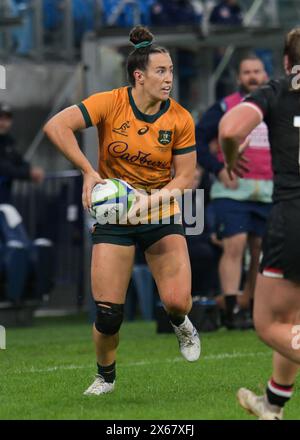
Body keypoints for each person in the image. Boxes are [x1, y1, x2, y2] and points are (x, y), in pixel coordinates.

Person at [44, 25, 200, 396]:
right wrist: (88, 171)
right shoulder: (110, 102)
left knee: (178, 300)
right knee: (109, 314)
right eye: (161, 72)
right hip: (114, 216)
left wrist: (152, 200)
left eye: (171, 71)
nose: (168, 79)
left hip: (159, 211)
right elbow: (56, 126)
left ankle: (181, 322)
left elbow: (186, 178)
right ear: (139, 76)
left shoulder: (179, 118)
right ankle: (105, 377)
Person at [219, 28, 300, 420]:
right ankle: (272, 406)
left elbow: (230, 129)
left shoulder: (279, 89)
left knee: (268, 324)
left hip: (294, 215)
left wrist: (232, 158)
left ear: (286, 61)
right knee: (292, 320)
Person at [196, 55, 272, 330]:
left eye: (257, 71)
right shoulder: (225, 106)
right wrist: (218, 168)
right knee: (235, 245)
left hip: (268, 190)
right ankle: (230, 310)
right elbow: (198, 140)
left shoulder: (274, 103)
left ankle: (250, 306)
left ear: (266, 74)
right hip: (233, 191)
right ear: (239, 78)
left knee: (261, 252)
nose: (252, 76)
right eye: (247, 72)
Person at [0, 102, 44, 204]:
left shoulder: (9, 142)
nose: (3, 122)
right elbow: (4, 168)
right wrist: (29, 173)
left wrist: (30, 170)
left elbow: (18, 160)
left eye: (6, 118)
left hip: (4, 198)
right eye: (0, 118)